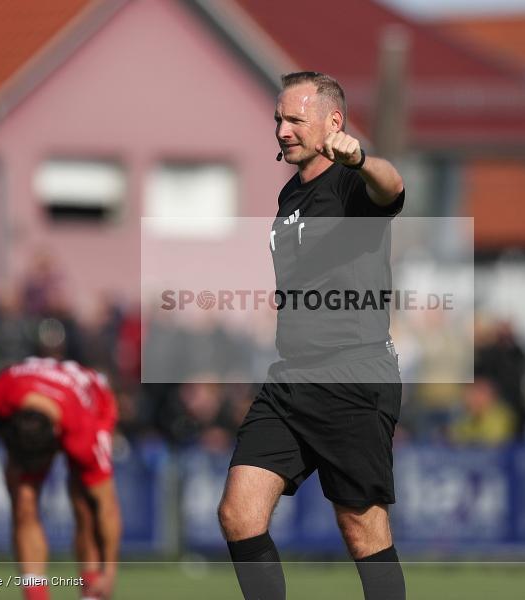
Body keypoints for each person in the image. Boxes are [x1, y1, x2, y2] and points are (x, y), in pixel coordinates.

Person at [217, 71, 406, 600]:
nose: (282, 129)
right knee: (238, 513)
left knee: (360, 528)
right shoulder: (290, 194)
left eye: (296, 119)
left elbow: (393, 186)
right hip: (293, 378)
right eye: (279, 118)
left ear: (333, 123)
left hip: (353, 375)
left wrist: (362, 159)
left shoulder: (352, 184)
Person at [0, 357, 121, 600]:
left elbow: (106, 507)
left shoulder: (85, 435)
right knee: (23, 501)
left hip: (92, 403)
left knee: (85, 505)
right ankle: (36, 595)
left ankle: (92, 593)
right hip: (27, 397)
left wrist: (110, 570)